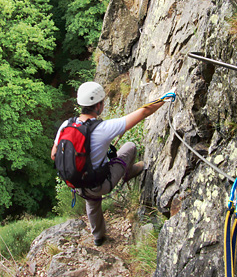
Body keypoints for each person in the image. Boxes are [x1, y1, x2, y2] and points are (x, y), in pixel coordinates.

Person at [51, 81, 174, 246]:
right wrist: (164, 98)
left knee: (92, 202)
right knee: (129, 147)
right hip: (100, 184)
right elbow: (144, 112)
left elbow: (54, 155)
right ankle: (129, 172)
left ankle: (98, 238)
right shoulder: (103, 128)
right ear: (99, 105)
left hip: (76, 183)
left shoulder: (66, 125)